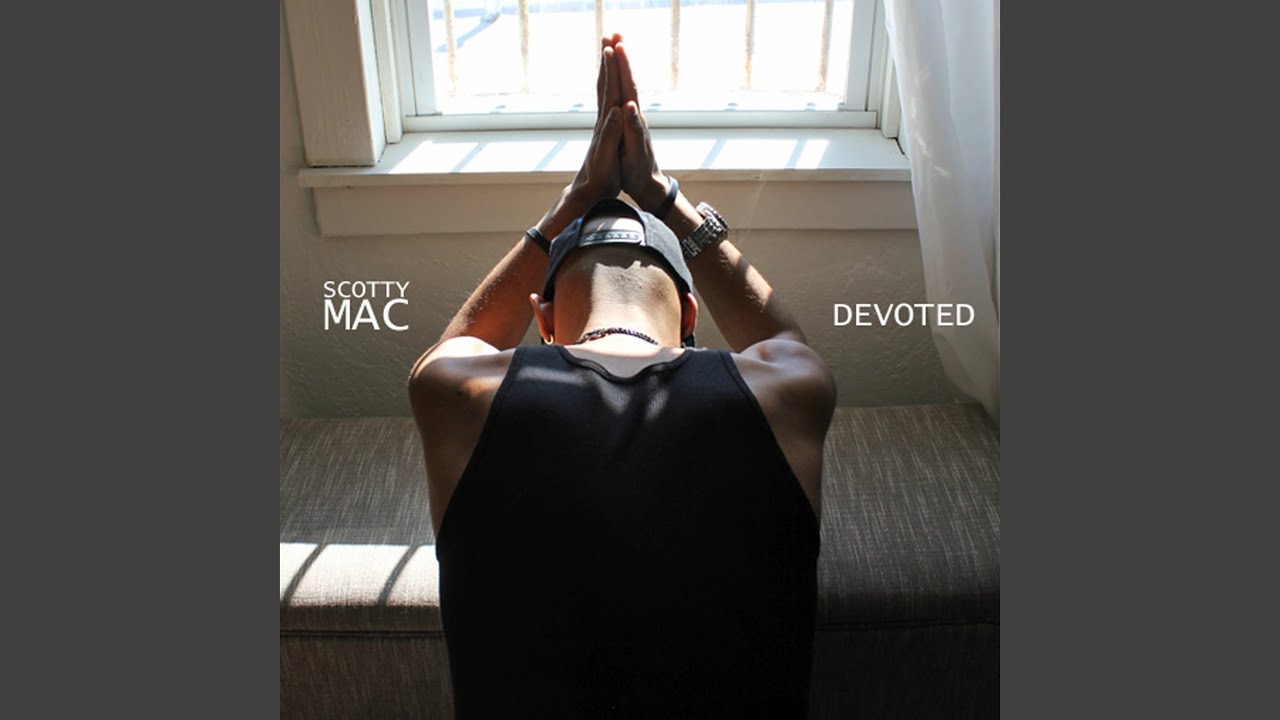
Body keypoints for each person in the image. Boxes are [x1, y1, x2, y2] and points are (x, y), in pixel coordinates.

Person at [408, 35, 837, 718]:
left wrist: (574, 200)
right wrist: (662, 196)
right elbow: (783, 338)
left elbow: (452, 349)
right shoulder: (786, 393)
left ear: (543, 321)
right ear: (691, 314)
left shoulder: (461, 397)